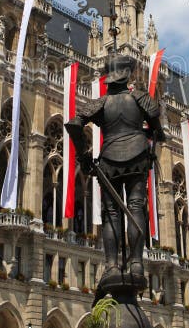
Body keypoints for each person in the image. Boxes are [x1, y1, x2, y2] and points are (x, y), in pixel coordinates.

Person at [65, 55, 165, 289]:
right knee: (136, 206)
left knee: (111, 213)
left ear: (109, 80)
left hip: (109, 160)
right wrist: (150, 135)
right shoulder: (140, 98)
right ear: (127, 76)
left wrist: (84, 156)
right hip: (138, 156)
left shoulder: (101, 103)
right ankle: (137, 264)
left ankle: (111, 265)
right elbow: (158, 129)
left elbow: (73, 124)